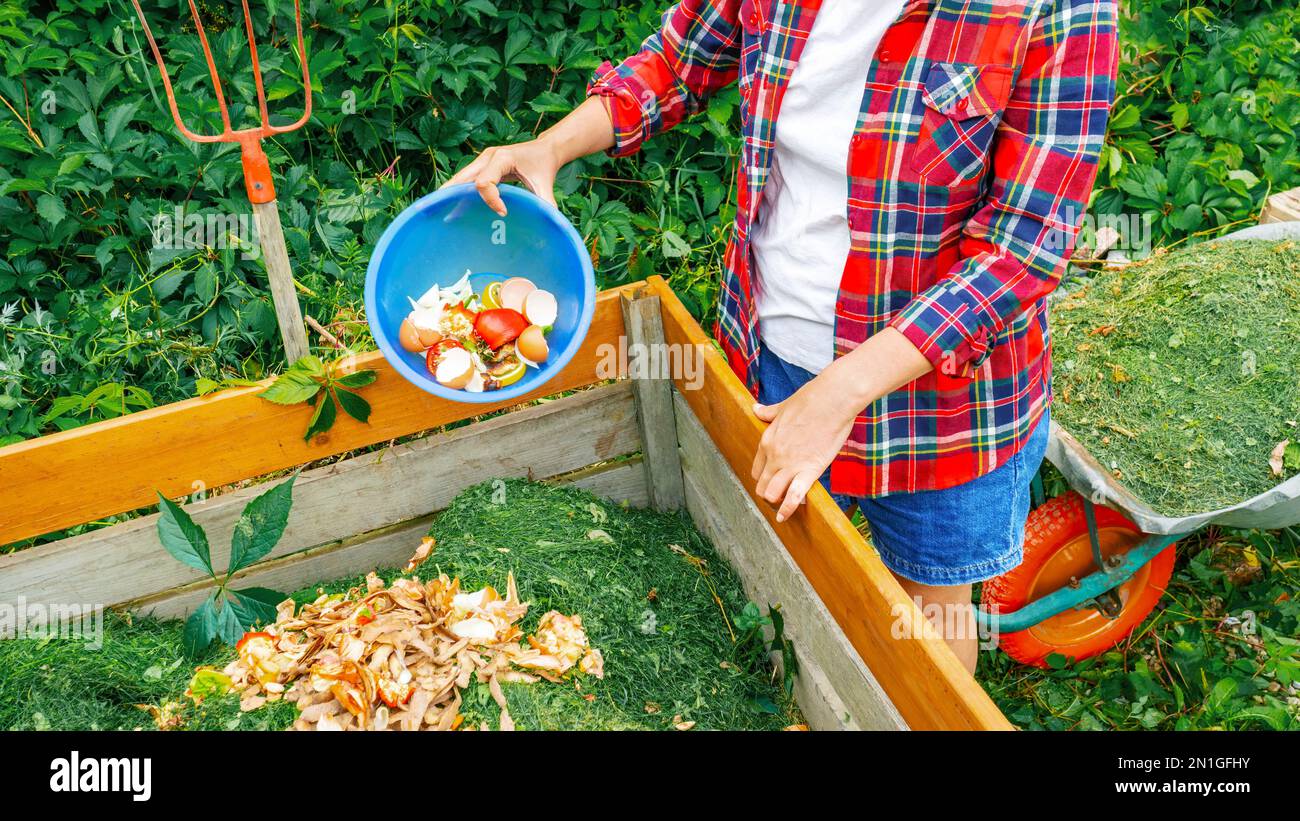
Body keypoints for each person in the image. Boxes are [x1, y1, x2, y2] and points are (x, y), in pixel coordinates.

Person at [445, 0, 1117, 673]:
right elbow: (678, 61)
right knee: (770, 570)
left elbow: (1021, 250)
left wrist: (841, 393)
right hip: (774, 355)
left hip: (944, 403)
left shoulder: (1059, 11)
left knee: (928, 607)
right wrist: (551, 145)